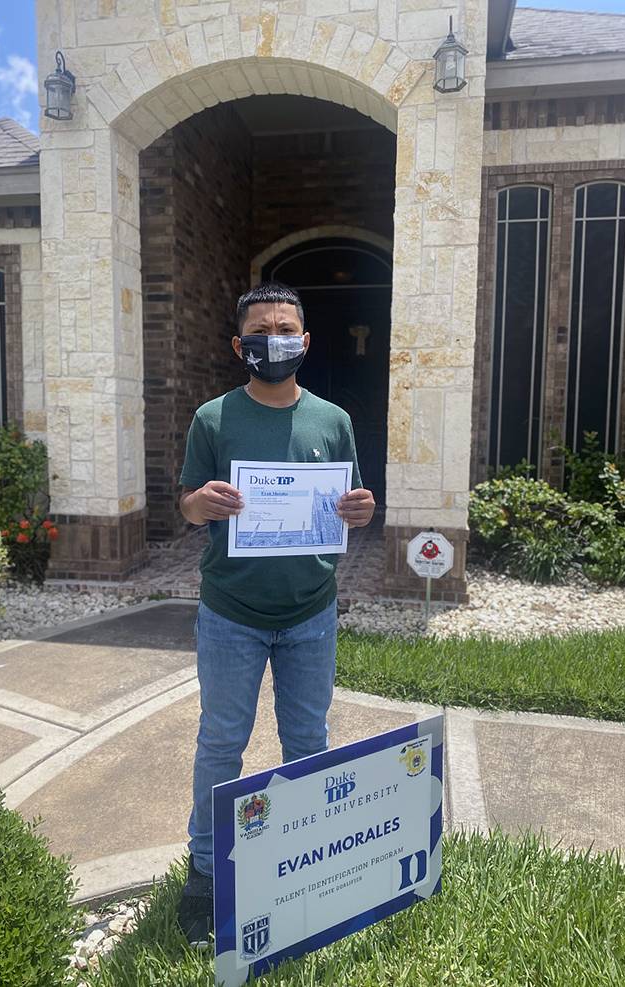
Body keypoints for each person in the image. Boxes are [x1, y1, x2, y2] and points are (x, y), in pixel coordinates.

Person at [176, 281, 376, 945]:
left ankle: (304, 863)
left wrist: (362, 511)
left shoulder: (334, 421)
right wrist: (198, 504)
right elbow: (186, 502)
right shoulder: (212, 418)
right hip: (231, 611)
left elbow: (347, 504)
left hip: (311, 613)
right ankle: (205, 872)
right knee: (221, 743)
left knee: (308, 741)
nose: (274, 338)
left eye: (285, 326)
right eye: (260, 330)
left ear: (306, 340)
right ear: (240, 346)